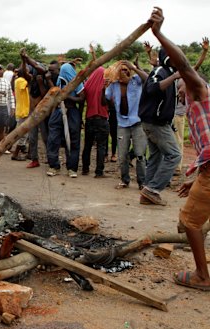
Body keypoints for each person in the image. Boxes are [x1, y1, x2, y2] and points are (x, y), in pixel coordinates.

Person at [148, 7, 210, 291]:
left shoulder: (199, 91)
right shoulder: (199, 101)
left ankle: (202, 277)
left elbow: (184, 65)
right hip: (206, 170)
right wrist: (194, 176)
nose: (180, 91)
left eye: (181, 85)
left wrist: (159, 33)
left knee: (189, 221)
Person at [138, 38, 182, 206]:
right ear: (168, 58)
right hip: (155, 123)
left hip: (156, 122)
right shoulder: (160, 71)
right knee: (174, 155)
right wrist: (174, 77)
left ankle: (147, 193)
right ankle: (153, 189)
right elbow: (151, 88)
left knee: (156, 157)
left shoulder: (169, 72)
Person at [106, 60, 148, 191]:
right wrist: (105, 85)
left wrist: (134, 67)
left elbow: (147, 79)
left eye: (126, 70)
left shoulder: (136, 80)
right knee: (122, 155)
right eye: (121, 70)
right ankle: (125, 180)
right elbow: (106, 99)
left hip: (138, 123)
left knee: (140, 154)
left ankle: (142, 182)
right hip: (122, 123)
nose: (124, 72)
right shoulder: (114, 85)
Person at [173, 37, 208, 175]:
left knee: (179, 140)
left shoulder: (186, 76)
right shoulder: (171, 74)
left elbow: (196, 67)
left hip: (179, 113)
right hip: (174, 113)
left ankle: (177, 167)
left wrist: (204, 52)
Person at [46, 62, 85, 177]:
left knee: (73, 140)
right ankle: (53, 166)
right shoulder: (59, 82)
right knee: (53, 139)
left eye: (64, 71)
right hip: (58, 111)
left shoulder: (77, 83)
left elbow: (82, 98)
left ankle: (72, 168)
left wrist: (67, 97)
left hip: (72, 112)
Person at [81, 67, 109, 177]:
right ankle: (99, 171)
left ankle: (85, 169)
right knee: (101, 146)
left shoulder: (87, 85)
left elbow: (83, 100)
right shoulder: (105, 86)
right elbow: (104, 103)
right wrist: (104, 90)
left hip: (89, 118)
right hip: (101, 118)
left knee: (87, 145)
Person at [11, 52, 33, 161]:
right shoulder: (20, 81)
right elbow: (29, 81)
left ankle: (16, 151)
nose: (29, 73)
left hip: (22, 110)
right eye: (27, 71)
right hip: (23, 111)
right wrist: (24, 61)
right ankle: (15, 154)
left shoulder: (18, 80)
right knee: (22, 134)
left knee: (21, 133)